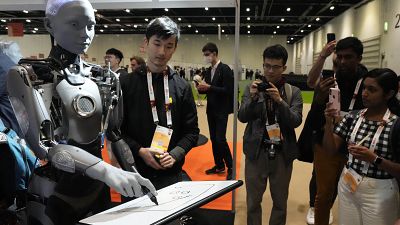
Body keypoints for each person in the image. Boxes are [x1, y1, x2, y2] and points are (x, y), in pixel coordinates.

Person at [5, 0, 157, 224]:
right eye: (75, 24)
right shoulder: (27, 75)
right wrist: (105, 171)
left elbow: (115, 134)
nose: (85, 33)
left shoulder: (105, 77)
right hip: (55, 190)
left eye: (91, 25)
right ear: (49, 25)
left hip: (97, 188)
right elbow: (45, 147)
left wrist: (134, 174)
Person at [120, 16, 199, 190]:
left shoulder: (182, 86)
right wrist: (140, 150)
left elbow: (192, 132)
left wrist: (175, 154)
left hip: (172, 175)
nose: (162, 52)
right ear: (146, 43)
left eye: (169, 46)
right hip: (135, 174)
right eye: (157, 44)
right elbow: (117, 131)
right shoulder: (126, 84)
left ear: (174, 48)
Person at [323, 68, 400, 225]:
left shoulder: (396, 125)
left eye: (372, 90)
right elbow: (330, 150)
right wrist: (327, 123)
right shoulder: (353, 116)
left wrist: (375, 159)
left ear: (389, 94)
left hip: (380, 191)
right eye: (364, 88)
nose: (364, 93)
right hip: (348, 184)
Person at [238, 44, 303, 225]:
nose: (270, 71)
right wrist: (252, 99)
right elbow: (242, 117)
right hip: (255, 153)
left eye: (275, 67)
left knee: (280, 203)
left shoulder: (293, 92)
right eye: (267, 66)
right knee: (252, 202)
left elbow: (296, 121)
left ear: (284, 68)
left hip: (282, 154)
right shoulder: (252, 89)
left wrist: (280, 101)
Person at [306, 37, 367, 225]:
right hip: (328, 137)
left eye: (348, 57)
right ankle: (315, 209)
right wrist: (323, 56)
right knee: (322, 189)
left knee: (351, 190)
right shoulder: (331, 79)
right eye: (339, 57)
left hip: (355, 144)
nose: (342, 61)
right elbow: (310, 82)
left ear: (359, 58)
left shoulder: (367, 81)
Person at [196, 42, 234, 180]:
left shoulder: (225, 69)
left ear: (214, 54)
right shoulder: (208, 70)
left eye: (207, 55)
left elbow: (228, 90)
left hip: (222, 109)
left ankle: (231, 166)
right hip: (211, 109)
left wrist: (209, 88)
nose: (205, 57)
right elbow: (208, 87)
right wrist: (201, 88)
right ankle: (219, 165)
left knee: (220, 139)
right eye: (204, 55)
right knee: (213, 139)